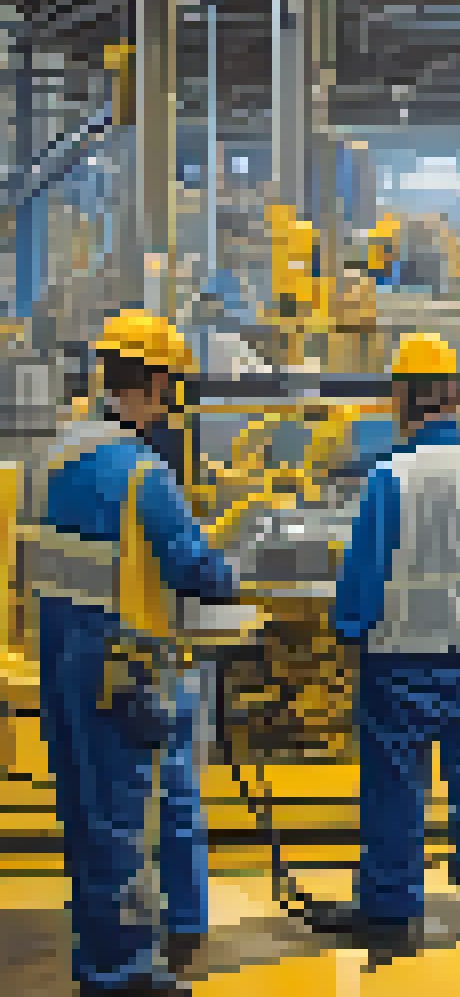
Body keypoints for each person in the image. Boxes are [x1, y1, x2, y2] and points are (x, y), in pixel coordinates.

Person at [30, 311, 243, 995]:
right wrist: (228, 563)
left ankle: (104, 952)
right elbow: (198, 571)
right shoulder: (142, 475)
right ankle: (121, 974)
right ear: (155, 383)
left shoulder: (52, 457)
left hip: (62, 667)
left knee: (88, 823)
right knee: (129, 825)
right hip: (124, 674)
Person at [317, 334, 460, 950]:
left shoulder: (392, 478)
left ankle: (390, 909)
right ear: (454, 399)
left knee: (395, 786)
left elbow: (362, 576)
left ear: (405, 399)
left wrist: (347, 630)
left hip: (399, 660)